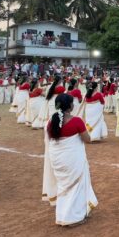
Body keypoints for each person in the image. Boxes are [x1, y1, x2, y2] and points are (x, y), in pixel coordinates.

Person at [43, 94, 98, 226]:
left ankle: (62, 215)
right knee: (76, 186)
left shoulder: (51, 122)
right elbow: (87, 139)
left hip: (57, 160)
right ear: (70, 106)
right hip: (72, 160)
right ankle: (72, 217)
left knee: (63, 186)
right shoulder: (76, 121)